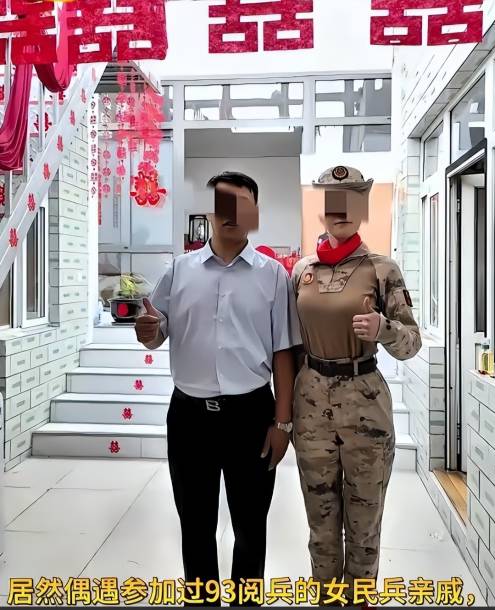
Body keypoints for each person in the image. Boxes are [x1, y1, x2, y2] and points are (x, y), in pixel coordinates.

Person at [135, 171, 301, 606]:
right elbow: (156, 330)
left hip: (251, 416)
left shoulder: (273, 276)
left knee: (250, 526)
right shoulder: (179, 271)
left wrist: (283, 423)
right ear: (209, 212)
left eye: (242, 204)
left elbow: (284, 353)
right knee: (195, 525)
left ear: (255, 214)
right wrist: (147, 331)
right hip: (189, 417)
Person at [291, 165, 421, 606]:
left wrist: (384, 328)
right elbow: (289, 343)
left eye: (351, 199)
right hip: (311, 406)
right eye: (333, 200)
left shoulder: (382, 269)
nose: (341, 209)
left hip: (364, 402)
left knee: (364, 527)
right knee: (321, 525)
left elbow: (411, 343)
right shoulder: (302, 271)